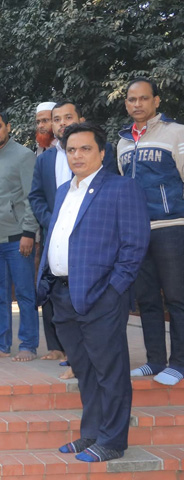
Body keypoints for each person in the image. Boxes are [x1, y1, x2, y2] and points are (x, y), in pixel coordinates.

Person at [38, 122, 149, 462]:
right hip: (63, 294)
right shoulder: (62, 191)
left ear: (102, 152)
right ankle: (91, 434)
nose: (77, 155)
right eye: (71, 149)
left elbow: (135, 244)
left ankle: (113, 441)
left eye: (85, 148)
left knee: (109, 371)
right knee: (85, 369)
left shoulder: (120, 188)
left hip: (101, 297)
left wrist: (114, 290)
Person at [29, 100, 119, 371]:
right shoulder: (45, 158)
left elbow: (110, 192)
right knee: (58, 299)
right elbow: (35, 196)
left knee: (88, 301)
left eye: (68, 117)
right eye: (56, 119)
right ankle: (68, 354)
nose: (62, 123)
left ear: (80, 118)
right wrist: (52, 222)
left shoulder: (101, 152)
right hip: (56, 239)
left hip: (91, 243)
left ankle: (91, 360)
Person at [117, 77, 184, 386]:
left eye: (144, 98)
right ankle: (155, 360)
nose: (138, 104)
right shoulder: (123, 142)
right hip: (138, 232)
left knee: (176, 297)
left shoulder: (176, 133)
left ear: (157, 101)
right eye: (132, 99)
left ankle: (179, 363)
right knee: (146, 299)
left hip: (171, 227)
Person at [0, 111, 39, 362]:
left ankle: (28, 345)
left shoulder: (24, 156)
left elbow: (31, 197)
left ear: (8, 127)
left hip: (18, 238)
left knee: (25, 294)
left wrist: (28, 232)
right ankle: (1, 345)